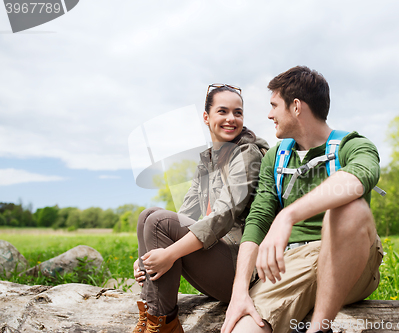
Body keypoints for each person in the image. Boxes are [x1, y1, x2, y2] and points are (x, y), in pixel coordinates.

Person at [221, 66, 384, 333]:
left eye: (274, 105)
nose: (269, 114)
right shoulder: (275, 158)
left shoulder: (354, 145)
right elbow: (258, 219)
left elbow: (356, 180)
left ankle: (319, 329)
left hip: (351, 263)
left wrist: (288, 215)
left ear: (296, 106)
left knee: (349, 207)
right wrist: (240, 290)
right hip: (291, 265)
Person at [132, 84, 269, 333]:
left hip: (244, 273)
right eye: (223, 111)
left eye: (237, 113)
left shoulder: (247, 154)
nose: (231, 118)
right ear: (206, 117)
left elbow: (224, 216)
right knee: (149, 216)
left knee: (159, 222)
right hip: (218, 263)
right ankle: (155, 319)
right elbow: (185, 215)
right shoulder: (207, 160)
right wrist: (149, 255)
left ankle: (162, 324)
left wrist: (170, 253)